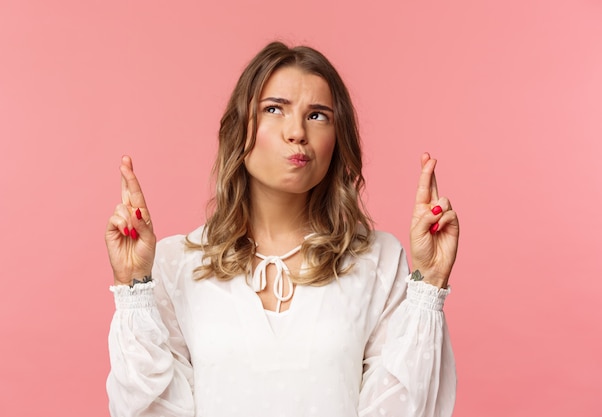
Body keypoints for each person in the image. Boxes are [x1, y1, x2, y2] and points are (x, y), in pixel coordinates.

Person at [105, 42, 459, 417]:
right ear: (239, 127)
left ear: (337, 140)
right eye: (274, 109)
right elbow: (151, 409)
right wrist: (132, 285)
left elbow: (403, 408)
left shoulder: (378, 259)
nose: (297, 132)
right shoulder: (177, 263)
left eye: (318, 116)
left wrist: (430, 282)